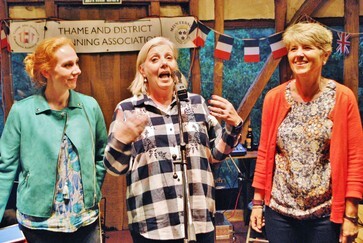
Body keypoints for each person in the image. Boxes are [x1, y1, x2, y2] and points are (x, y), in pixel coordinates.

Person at [103, 36, 243, 242]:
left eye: (169, 57)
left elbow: (216, 154)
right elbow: (114, 168)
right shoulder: (128, 109)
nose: (164, 63)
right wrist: (121, 140)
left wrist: (233, 126)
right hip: (154, 223)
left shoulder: (196, 103)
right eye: (155, 59)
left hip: (199, 218)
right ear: (142, 70)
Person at [250, 22, 363, 243]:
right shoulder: (274, 98)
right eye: (293, 49)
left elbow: (355, 159)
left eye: (308, 47)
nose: (299, 54)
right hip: (280, 212)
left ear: (325, 55)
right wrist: (257, 203)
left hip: (325, 213)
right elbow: (264, 154)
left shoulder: (342, 97)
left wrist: (351, 215)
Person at [0, 37, 108, 243]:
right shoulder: (22, 112)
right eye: (68, 65)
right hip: (39, 222)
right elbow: (5, 168)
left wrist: (92, 188)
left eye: (76, 63)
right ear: (46, 71)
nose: (77, 70)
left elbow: (102, 155)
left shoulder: (90, 106)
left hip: (85, 220)